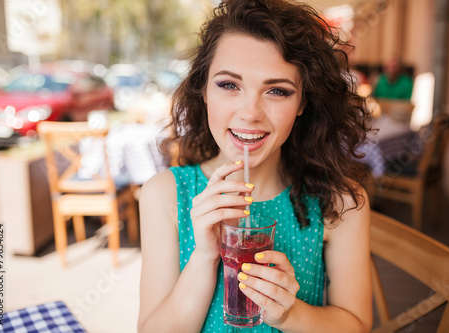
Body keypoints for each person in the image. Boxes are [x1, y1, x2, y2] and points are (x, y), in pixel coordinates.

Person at [138, 0, 373, 332]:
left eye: (277, 91)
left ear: (303, 102)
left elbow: (357, 326)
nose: (250, 113)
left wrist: (291, 315)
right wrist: (205, 256)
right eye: (229, 85)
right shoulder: (163, 194)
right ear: (203, 89)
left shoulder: (340, 203)